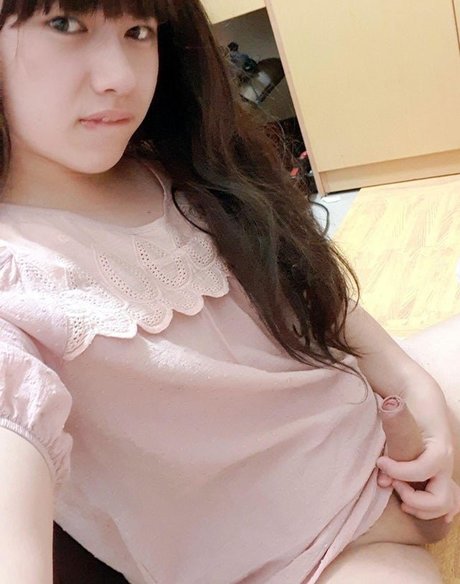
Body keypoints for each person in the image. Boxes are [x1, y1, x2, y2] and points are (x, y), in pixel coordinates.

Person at [0, 1, 458, 582]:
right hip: (317, 562)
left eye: (138, 30)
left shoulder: (180, 166)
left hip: (385, 435)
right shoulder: (17, 283)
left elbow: (315, 302)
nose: (120, 77)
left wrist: (417, 391)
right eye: (65, 24)